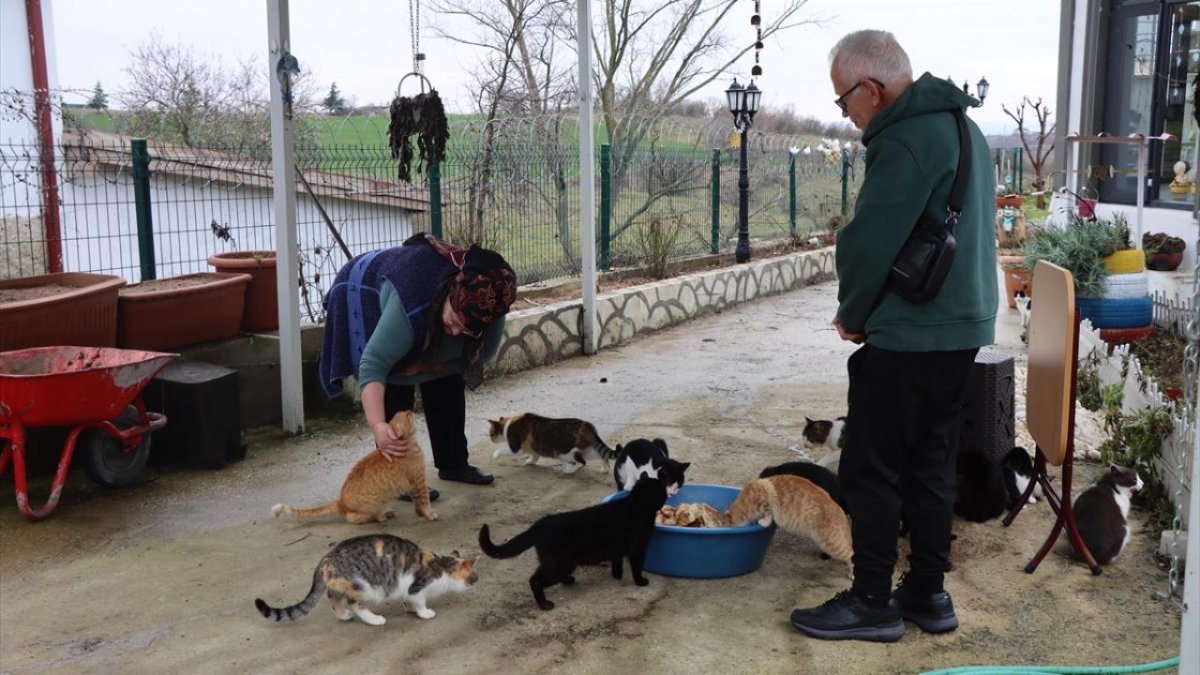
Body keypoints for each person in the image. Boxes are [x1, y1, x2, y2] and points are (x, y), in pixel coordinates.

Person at [788, 30, 998, 642]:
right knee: (932, 463)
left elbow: (867, 242)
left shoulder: (905, 138)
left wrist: (853, 312)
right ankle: (929, 595)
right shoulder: (964, 128)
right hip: (962, 329)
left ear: (871, 89)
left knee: (871, 468)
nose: (847, 116)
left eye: (843, 101)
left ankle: (872, 600)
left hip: (911, 330)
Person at [318, 232, 518, 493]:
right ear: (449, 295)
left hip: (416, 294)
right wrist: (378, 425)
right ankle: (399, 478)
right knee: (394, 382)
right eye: (455, 321)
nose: (457, 332)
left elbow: (476, 357)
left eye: (467, 331)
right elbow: (373, 365)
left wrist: (429, 366)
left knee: (448, 383)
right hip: (364, 286)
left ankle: (453, 464)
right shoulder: (411, 304)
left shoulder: (489, 304)